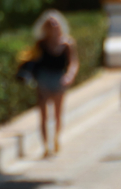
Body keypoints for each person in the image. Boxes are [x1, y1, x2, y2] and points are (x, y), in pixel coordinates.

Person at [33, 11, 79, 158]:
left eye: (55, 23)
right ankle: (46, 145)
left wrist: (69, 75)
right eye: (50, 24)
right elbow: (34, 60)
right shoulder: (41, 43)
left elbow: (73, 62)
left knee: (58, 114)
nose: (53, 26)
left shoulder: (67, 43)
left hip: (59, 79)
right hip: (44, 78)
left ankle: (56, 138)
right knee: (43, 115)